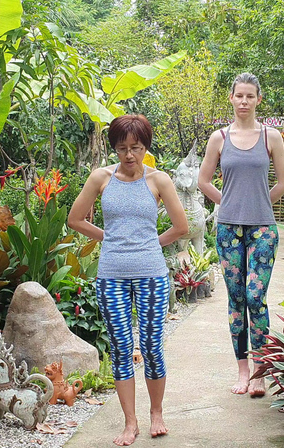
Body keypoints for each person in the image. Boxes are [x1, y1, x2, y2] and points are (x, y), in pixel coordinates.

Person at [68, 114, 188, 446]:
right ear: (115, 148)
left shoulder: (159, 180)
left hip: (151, 273)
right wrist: (109, 237)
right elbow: (75, 219)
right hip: (112, 275)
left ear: (146, 147)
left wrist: (149, 243)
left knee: (151, 348)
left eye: (136, 147)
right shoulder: (100, 178)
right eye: (122, 148)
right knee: (122, 350)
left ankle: (156, 413)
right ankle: (130, 422)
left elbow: (181, 227)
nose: (130, 155)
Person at [198, 73, 284, 397]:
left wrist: (260, 201)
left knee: (255, 296)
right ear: (231, 98)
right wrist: (230, 202)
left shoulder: (271, 137)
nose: (244, 102)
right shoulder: (219, 138)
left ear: (258, 100)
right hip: (228, 230)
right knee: (236, 300)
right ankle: (242, 368)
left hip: (263, 228)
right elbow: (204, 181)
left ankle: (260, 372)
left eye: (250, 96)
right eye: (239, 96)